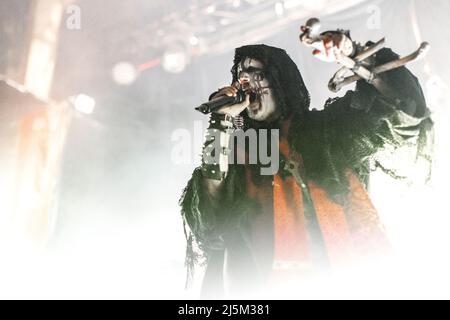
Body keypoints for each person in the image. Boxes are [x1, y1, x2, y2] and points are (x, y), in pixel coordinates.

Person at [179, 32, 433, 298]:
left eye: (256, 73)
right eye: (241, 75)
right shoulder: (240, 151)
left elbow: (403, 112)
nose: (246, 83)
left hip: (346, 279)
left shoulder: (327, 130)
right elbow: (210, 215)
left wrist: (354, 53)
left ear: (280, 81)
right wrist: (219, 122)